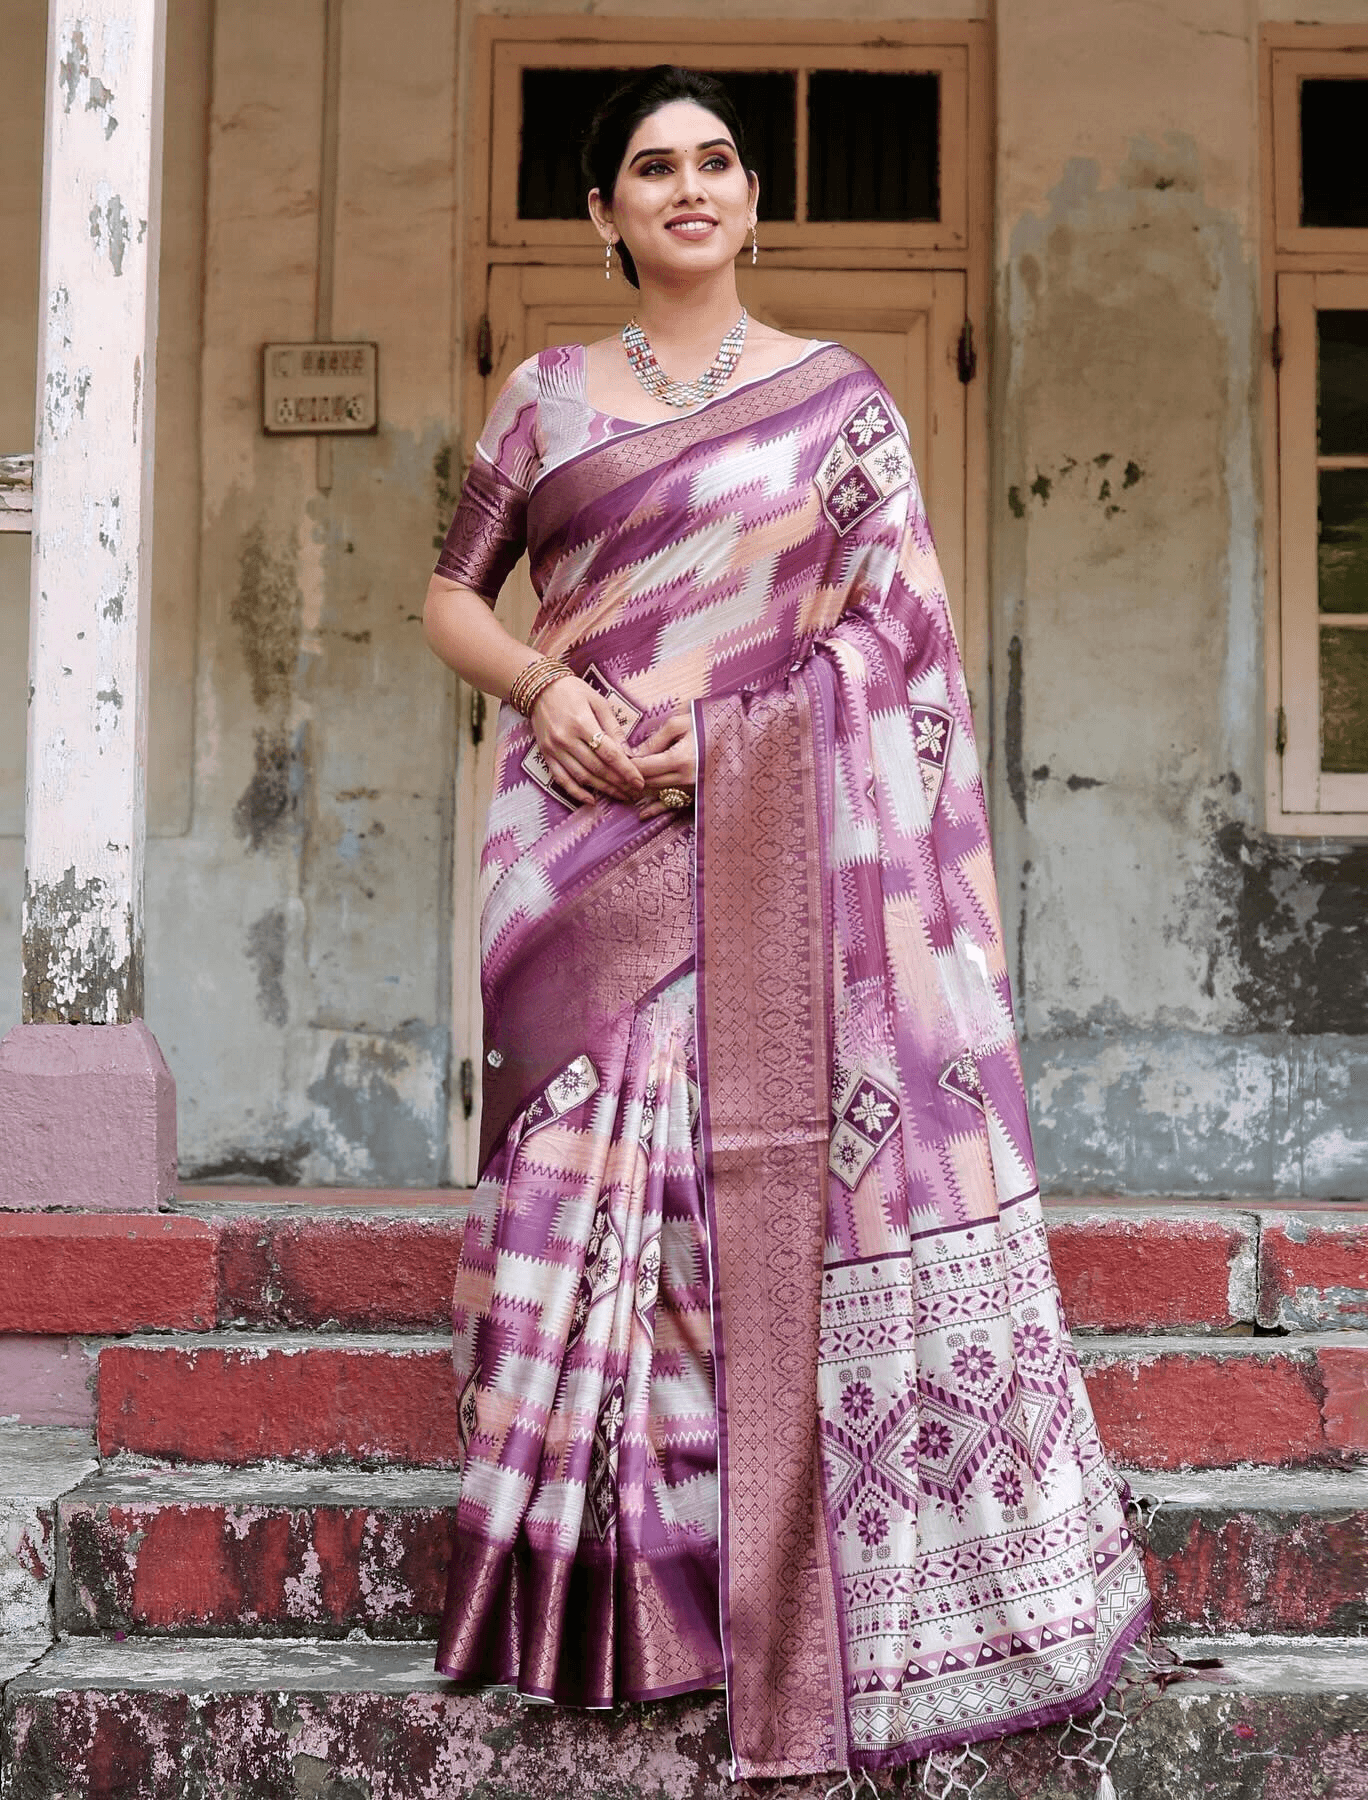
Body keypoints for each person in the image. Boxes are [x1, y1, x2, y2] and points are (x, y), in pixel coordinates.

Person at [422, 64, 1164, 1791]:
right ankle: (578, 1592)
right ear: (599, 212)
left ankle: (740, 1603)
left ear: (754, 202)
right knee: (575, 1191)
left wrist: (742, 743)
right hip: (576, 848)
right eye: (652, 167)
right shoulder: (546, 399)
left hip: (760, 841)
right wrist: (551, 690)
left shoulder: (843, 413)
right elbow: (451, 595)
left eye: (720, 161)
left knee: (729, 1195)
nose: (692, 186)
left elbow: (897, 645)